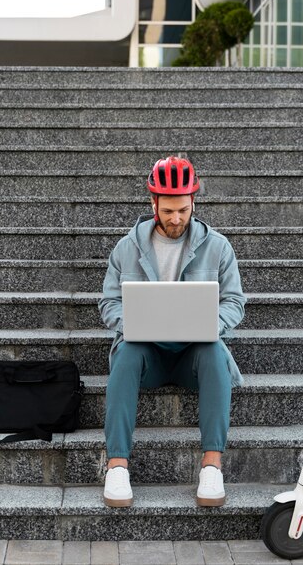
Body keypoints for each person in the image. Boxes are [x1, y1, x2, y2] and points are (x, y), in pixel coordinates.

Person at [98, 155, 246, 508]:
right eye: (168, 211)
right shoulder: (126, 248)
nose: (176, 218)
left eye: (183, 209)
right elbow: (108, 304)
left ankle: (211, 466)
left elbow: (235, 302)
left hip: (192, 356)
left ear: (193, 201)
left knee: (213, 351)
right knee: (126, 351)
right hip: (146, 356)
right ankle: (117, 465)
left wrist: (211, 324)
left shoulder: (218, 247)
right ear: (154, 204)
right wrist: (133, 324)